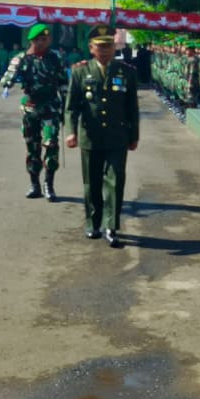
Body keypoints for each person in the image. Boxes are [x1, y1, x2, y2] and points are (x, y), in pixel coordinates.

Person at [65, 29, 139, 247]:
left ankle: (111, 226)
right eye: (100, 46)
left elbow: (132, 107)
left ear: (114, 48)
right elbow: (71, 107)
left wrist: (134, 135)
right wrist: (71, 132)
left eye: (109, 46)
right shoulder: (80, 72)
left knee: (115, 182)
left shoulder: (127, 72)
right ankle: (93, 223)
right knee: (92, 183)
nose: (105, 51)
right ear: (91, 48)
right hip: (91, 137)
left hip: (117, 137)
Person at [1, 23, 68, 200]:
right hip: (30, 108)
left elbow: (63, 83)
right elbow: (9, 74)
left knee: (51, 144)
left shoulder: (55, 58)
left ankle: (49, 184)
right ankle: (34, 184)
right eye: (37, 40)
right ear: (31, 40)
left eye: (44, 39)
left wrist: (66, 107)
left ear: (49, 40)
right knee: (32, 147)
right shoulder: (22, 58)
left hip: (50, 108)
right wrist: (7, 85)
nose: (41, 43)